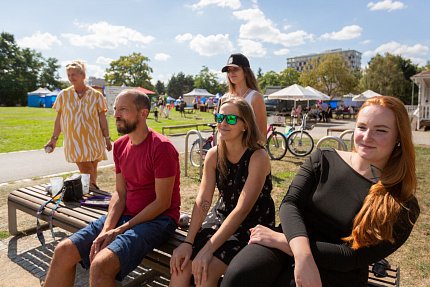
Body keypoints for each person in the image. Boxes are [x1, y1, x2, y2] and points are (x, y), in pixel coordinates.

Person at [222, 96, 420, 287]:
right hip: (293, 235)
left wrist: (286, 244)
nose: (367, 137)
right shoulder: (324, 159)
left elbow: (351, 257)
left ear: (398, 138)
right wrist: (300, 251)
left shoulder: (402, 204)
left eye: (381, 130)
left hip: (335, 267)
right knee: (240, 276)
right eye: (362, 127)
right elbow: (291, 204)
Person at [44, 89, 181, 286]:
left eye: (123, 109)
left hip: (159, 220)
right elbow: (120, 192)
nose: (116, 115)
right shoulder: (119, 146)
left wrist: (121, 229)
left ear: (144, 113)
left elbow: (162, 203)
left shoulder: (162, 147)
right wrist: (107, 229)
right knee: (63, 250)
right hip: (126, 214)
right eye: (115, 109)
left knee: (100, 264)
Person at [169, 97, 275, 287]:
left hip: (251, 223)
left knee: (205, 274)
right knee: (181, 267)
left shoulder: (258, 157)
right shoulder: (213, 154)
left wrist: (208, 249)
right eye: (220, 117)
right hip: (221, 216)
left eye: (231, 119)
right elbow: (203, 200)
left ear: (245, 125)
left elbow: (242, 210)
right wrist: (188, 242)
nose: (223, 123)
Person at [44, 60, 112, 189]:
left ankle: (90, 194)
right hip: (75, 141)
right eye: (69, 75)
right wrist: (53, 139)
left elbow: (102, 119)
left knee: (92, 169)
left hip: (94, 140)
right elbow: (59, 119)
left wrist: (107, 138)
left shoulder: (97, 96)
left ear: (83, 76)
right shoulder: (63, 95)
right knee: (87, 170)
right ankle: (92, 191)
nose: (71, 77)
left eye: (74, 74)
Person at [220, 53, 267, 141]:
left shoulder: (255, 97)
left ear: (245, 72)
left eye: (235, 69)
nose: (231, 73)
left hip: (249, 150)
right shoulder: (224, 98)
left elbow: (262, 134)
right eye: (229, 70)